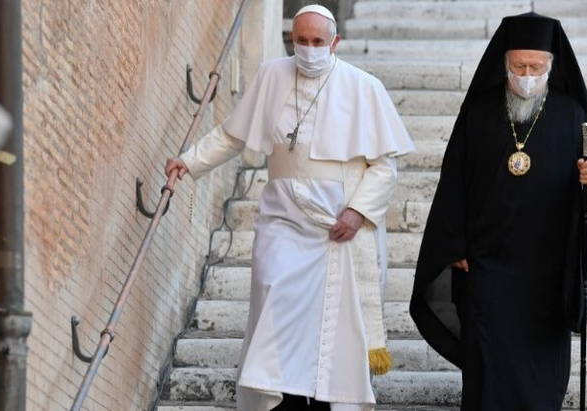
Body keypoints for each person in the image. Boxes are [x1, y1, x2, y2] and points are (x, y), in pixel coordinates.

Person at [166, 5, 414, 411]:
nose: (310, 50)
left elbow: (384, 168)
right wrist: (189, 161)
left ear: (335, 43)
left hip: (335, 225)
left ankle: (321, 401)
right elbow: (233, 135)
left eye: (319, 42)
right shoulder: (271, 75)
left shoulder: (362, 85)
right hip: (283, 218)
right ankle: (278, 399)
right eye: (302, 41)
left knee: (328, 328)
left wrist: (356, 213)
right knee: (273, 291)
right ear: (291, 39)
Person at [409, 12, 587, 410]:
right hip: (487, 269)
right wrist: (454, 244)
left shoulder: (571, 114)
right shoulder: (479, 113)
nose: (526, 75)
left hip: (547, 274)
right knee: (488, 371)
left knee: (540, 379)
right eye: (519, 66)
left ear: (550, 67)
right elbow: (454, 180)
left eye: (535, 67)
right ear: (504, 65)